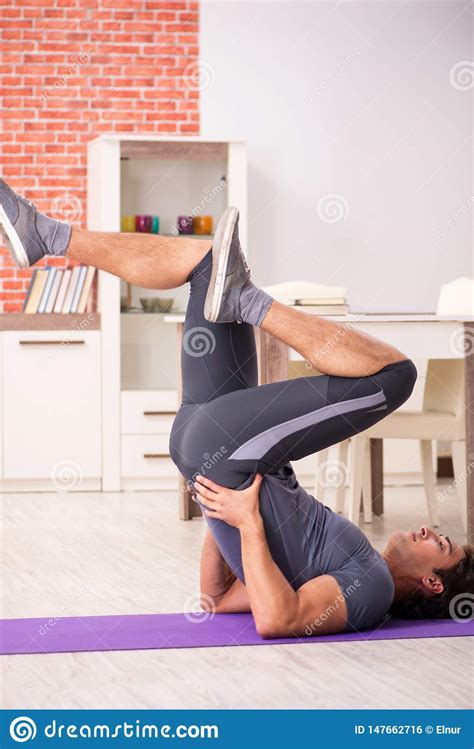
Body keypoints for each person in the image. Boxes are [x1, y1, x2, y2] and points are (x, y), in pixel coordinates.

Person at [0, 182, 472, 636]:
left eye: (441, 545)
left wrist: (244, 520)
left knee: (395, 377)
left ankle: (249, 300)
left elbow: (278, 620)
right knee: (207, 267)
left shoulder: (373, 589)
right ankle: (43, 233)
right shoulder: (358, 569)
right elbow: (218, 599)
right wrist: (222, 509)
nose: (430, 531)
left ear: (433, 583)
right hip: (211, 444)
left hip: (225, 451)